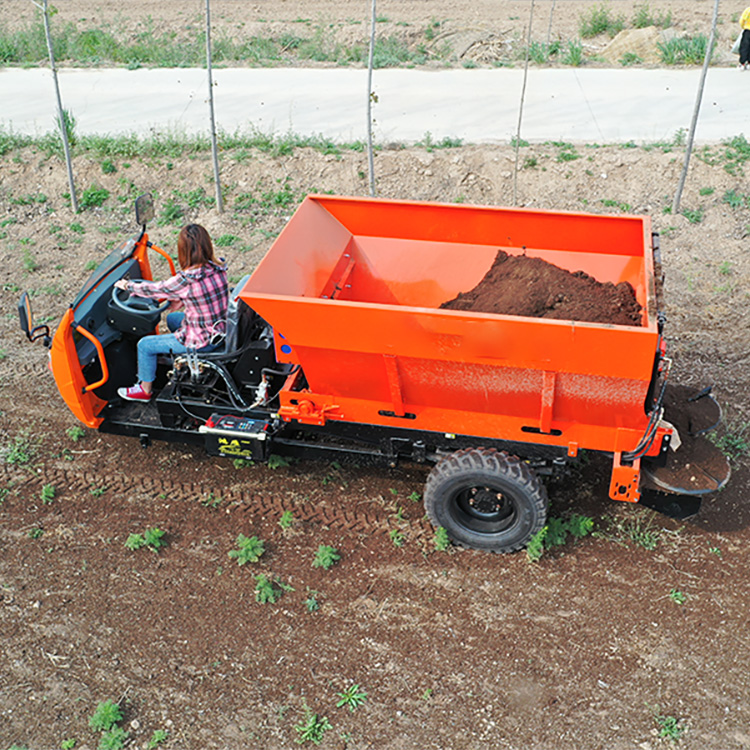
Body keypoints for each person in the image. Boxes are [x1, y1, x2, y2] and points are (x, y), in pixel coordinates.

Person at [114, 223, 228, 402]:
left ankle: (144, 390)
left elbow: (157, 289)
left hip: (201, 341)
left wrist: (127, 286)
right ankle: (180, 361)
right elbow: (204, 293)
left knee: (145, 346)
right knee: (174, 318)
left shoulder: (186, 280)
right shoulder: (217, 267)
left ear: (183, 251)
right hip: (219, 329)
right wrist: (182, 299)